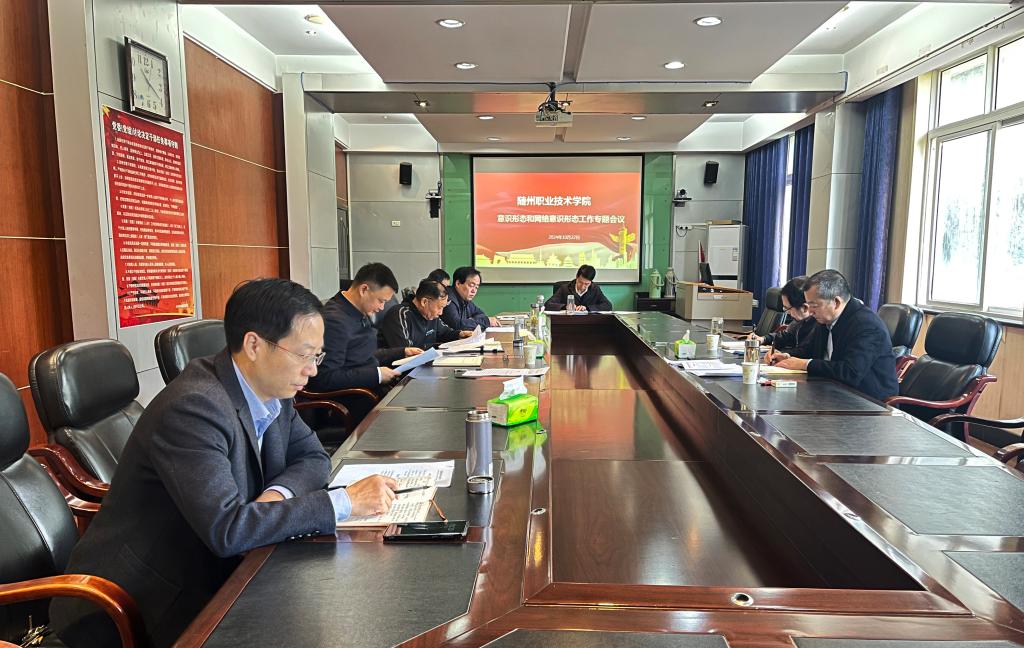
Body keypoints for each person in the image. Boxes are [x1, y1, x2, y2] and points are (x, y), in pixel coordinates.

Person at [50, 278, 397, 648]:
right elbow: (229, 530)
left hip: (222, 569)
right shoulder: (194, 408)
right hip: (143, 604)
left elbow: (313, 457)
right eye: (305, 355)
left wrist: (275, 497)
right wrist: (341, 502)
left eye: (318, 357)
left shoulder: (272, 388)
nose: (312, 370)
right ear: (254, 345)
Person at [309, 263, 422, 422]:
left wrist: (401, 352)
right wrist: (377, 375)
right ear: (364, 290)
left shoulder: (357, 310)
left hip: (370, 391)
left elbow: (360, 355)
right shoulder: (334, 321)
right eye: (380, 301)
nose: (381, 307)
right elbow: (324, 377)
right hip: (353, 402)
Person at [768, 269, 898, 401]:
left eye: (814, 306)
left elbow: (850, 372)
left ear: (836, 302)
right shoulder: (825, 319)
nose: (810, 312)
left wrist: (804, 364)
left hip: (867, 401)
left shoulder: (866, 325)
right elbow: (810, 351)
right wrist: (787, 357)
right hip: (832, 391)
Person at [379, 279, 473, 349]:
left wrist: (459, 334)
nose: (441, 313)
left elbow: (445, 332)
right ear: (424, 302)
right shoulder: (400, 315)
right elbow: (406, 351)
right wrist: (438, 347)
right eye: (439, 307)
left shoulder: (431, 315)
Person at [747, 276, 817, 352]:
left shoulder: (818, 326)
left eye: (788, 308)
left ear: (805, 308)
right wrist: (763, 339)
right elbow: (785, 336)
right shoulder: (799, 322)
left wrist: (781, 354)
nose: (787, 313)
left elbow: (804, 352)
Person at [441, 266, 499, 330]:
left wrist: (470, 321)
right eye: (471, 285)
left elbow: (481, 314)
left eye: (476, 287)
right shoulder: (447, 299)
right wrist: (486, 321)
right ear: (458, 283)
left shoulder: (465, 299)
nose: (474, 291)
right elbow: (457, 325)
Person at [545, 264, 613, 312]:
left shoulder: (595, 289)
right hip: (568, 322)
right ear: (576, 277)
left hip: (589, 322)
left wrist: (587, 308)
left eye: (586, 284)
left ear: (591, 282)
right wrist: (565, 306)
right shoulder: (565, 288)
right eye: (580, 282)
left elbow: (608, 306)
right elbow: (547, 305)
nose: (582, 286)